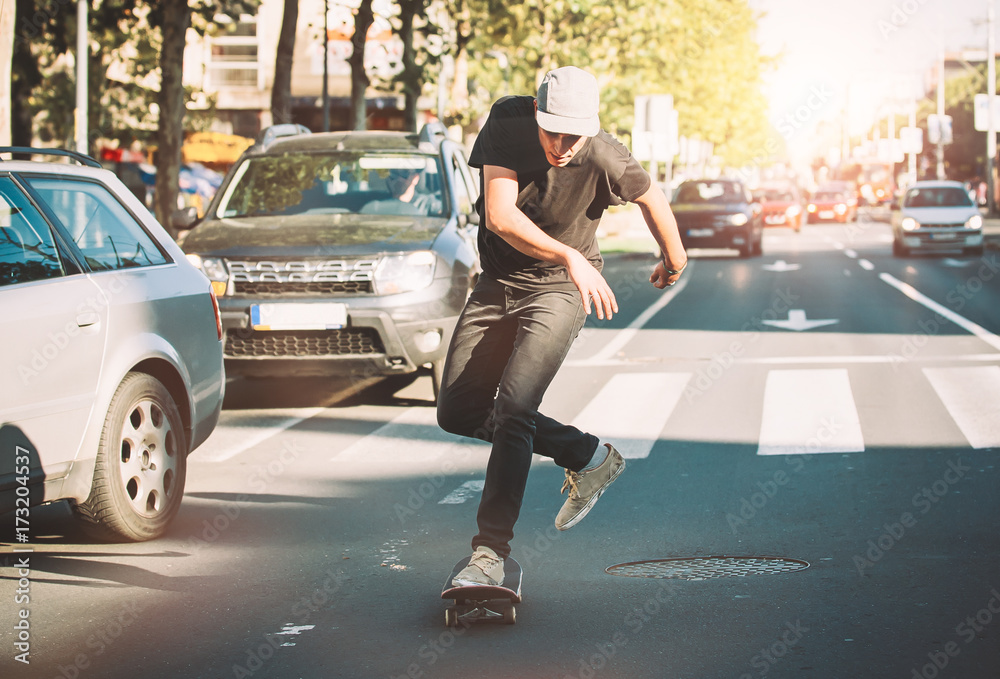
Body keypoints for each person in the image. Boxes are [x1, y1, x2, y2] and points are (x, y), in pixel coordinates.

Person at [436, 66, 688, 587]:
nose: (562, 145)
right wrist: (569, 253)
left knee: (514, 409)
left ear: (590, 127)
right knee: (458, 410)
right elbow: (500, 216)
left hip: (560, 291)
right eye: (553, 132)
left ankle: (489, 554)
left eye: (574, 135)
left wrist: (675, 259)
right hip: (500, 281)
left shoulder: (604, 152)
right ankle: (585, 455)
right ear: (536, 113)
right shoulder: (507, 121)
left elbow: (650, 196)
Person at [361, 167, 440, 216]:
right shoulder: (376, 205)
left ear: (415, 178)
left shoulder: (429, 205)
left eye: (404, 174)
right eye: (393, 174)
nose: (398, 179)